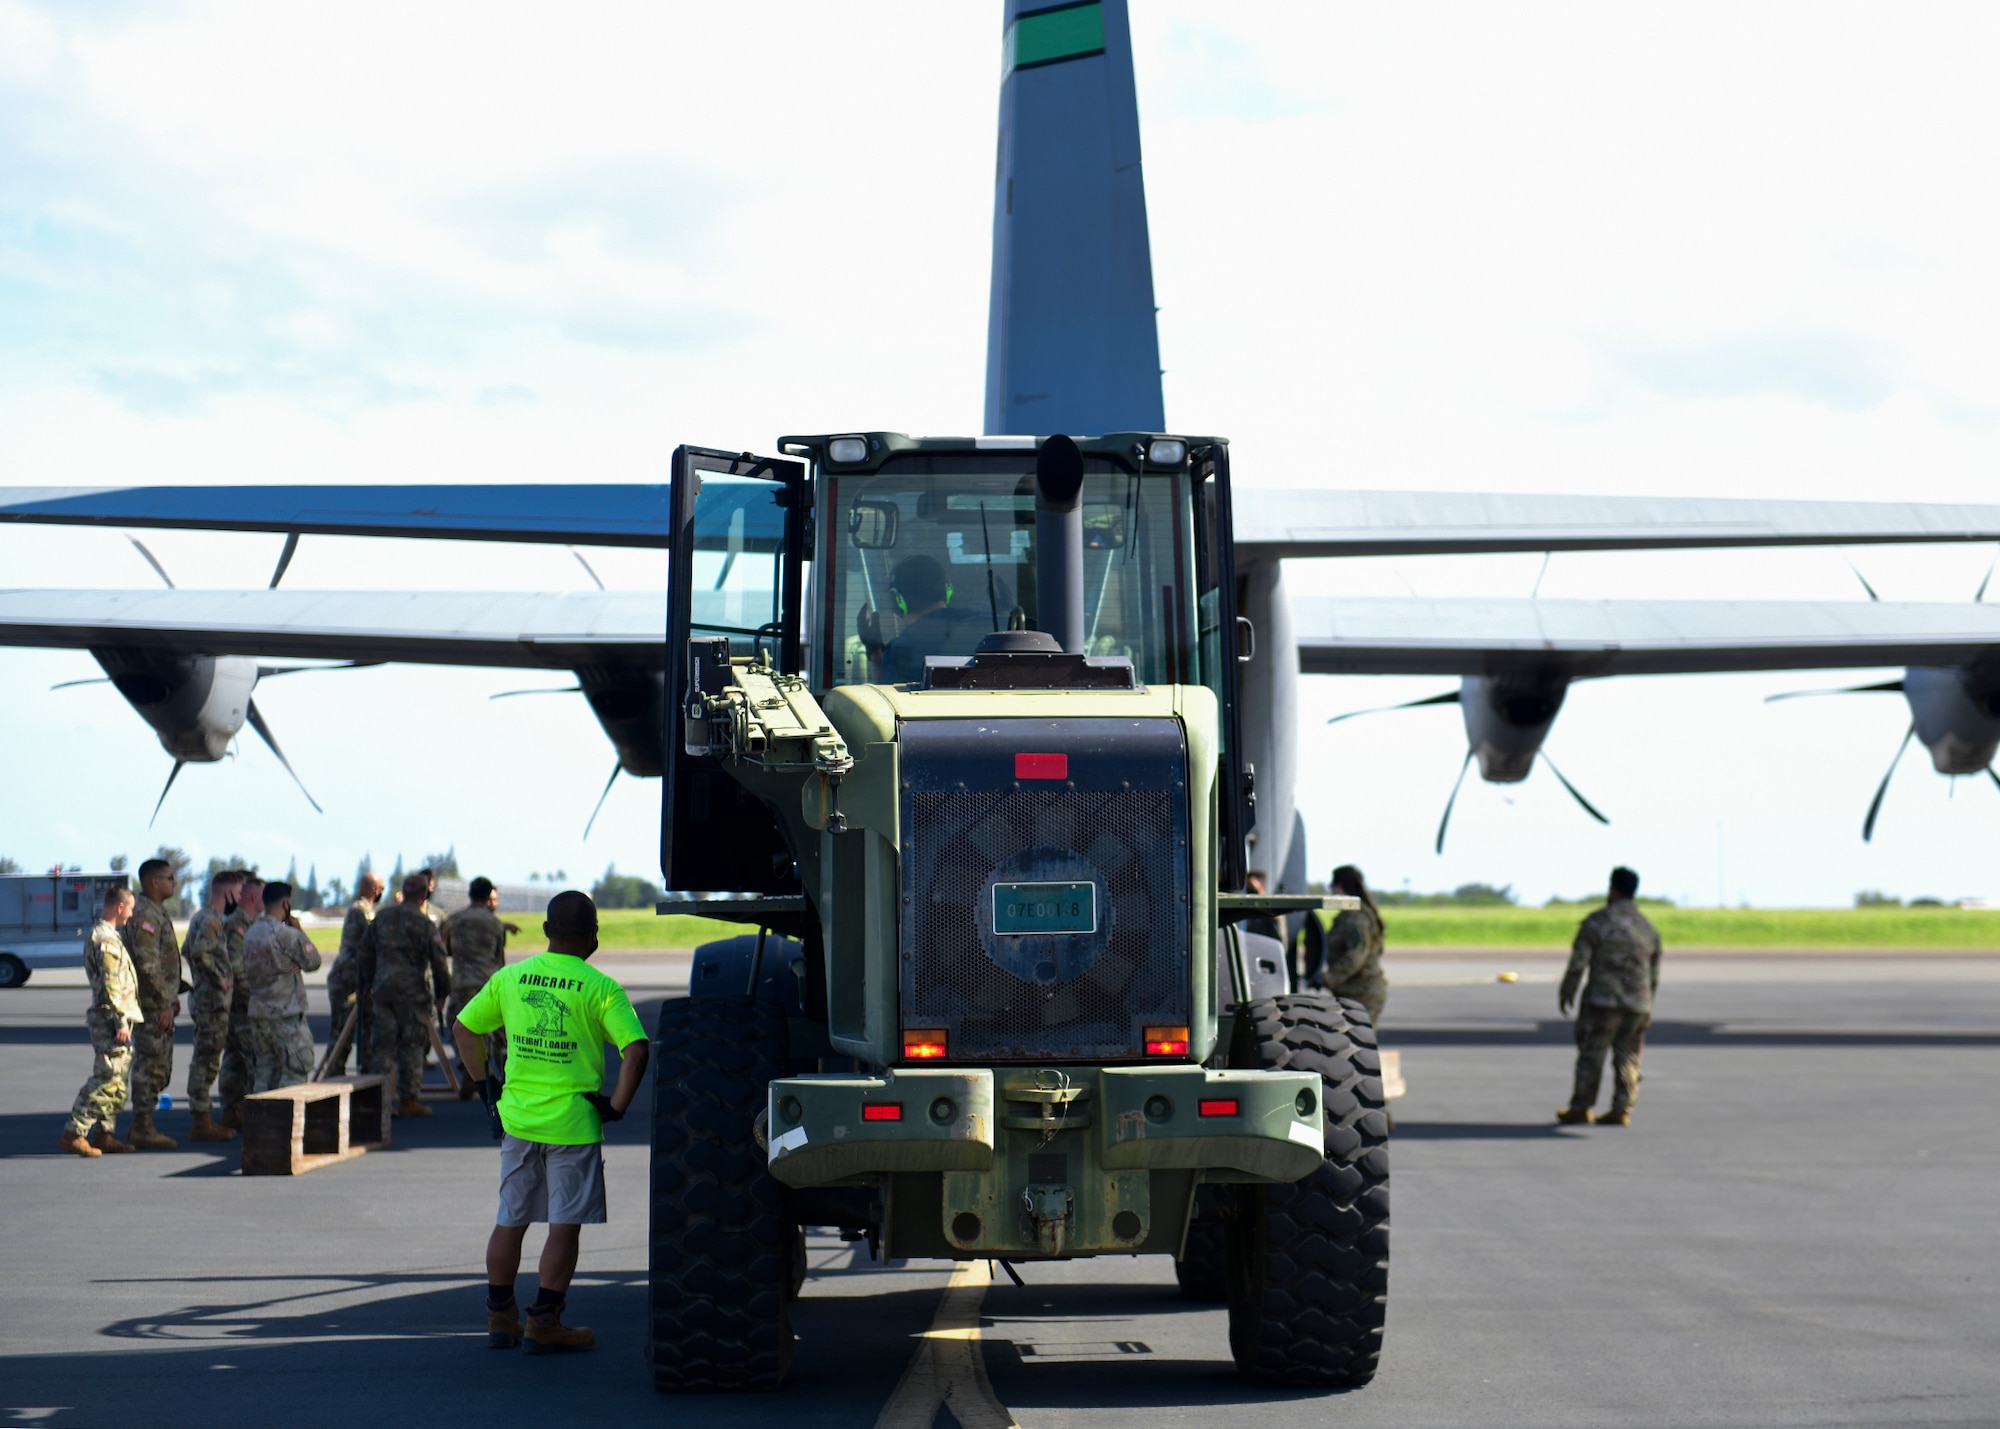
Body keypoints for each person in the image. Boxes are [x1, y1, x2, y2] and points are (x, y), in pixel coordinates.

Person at [454, 890, 648, 1355]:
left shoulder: (512, 977)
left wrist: (486, 1086)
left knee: (510, 1220)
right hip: (574, 1126)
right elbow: (636, 1050)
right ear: (593, 935)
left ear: (545, 931)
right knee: (564, 1226)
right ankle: (544, 1321)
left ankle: (499, 1316)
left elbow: (464, 1029)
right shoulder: (601, 989)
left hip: (519, 1122)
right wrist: (616, 1106)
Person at [1557, 865, 1663, 1127]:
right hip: (1638, 1003)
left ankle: (1581, 1107)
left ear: (1612, 889)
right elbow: (1653, 974)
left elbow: (1578, 963)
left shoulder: (1597, 922)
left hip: (1603, 1002)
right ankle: (1622, 1108)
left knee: (1592, 1054)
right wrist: (1647, 1003)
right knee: (1628, 1056)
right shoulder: (1647, 928)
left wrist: (1567, 990)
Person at [60, 886, 144, 1157]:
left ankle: (105, 1133)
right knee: (106, 1076)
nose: (131, 915)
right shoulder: (105, 939)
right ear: (120, 908)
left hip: (117, 1018)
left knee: (117, 1079)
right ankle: (75, 1131)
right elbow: (110, 985)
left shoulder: (109, 936)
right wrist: (120, 1021)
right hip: (111, 1020)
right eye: (130, 909)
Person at [360, 871, 450, 1118]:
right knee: (411, 1046)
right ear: (424, 895)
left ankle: (380, 1101)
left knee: (383, 1046)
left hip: (383, 991)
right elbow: (439, 960)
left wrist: (364, 983)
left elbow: (365, 952)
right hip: (412, 994)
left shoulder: (382, 918)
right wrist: (443, 992)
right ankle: (408, 1100)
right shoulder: (424, 924)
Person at [121, 857, 183, 1150]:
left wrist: (173, 996)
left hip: (159, 1002)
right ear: (154, 882)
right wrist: (163, 1003)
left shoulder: (156, 912)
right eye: (170, 878)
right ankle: (142, 1126)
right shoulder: (145, 915)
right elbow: (147, 965)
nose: (175, 882)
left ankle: (141, 1125)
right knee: (150, 1065)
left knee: (159, 1066)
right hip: (150, 1007)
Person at [241, 881, 324, 1092]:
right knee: (296, 1067)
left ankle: (261, 1119)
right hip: (285, 1013)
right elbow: (313, 961)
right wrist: (300, 931)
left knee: (265, 1070)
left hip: (259, 1012)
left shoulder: (251, 932)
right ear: (286, 904)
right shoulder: (285, 934)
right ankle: (286, 1119)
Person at [182, 869, 244, 1142]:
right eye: (239, 893)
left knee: (206, 1060)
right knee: (206, 1063)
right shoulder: (211, 921)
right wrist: (219, 978)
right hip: (212, 1003)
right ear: (228, 893)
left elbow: (186, 949)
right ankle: (201, 1120)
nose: (240, 900)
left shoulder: (201, 917)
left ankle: (202, 1117)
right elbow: (197, 952)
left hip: (206, 1001)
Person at [444, 876, 518, 1096]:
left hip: (462, 983)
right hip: (489, 983)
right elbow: (499, 957)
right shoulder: (495, 923)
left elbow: (446, 949)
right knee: (499, 1032)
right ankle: (505, 1076)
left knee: (458, 1026)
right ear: (488, 897)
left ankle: (469, 1069)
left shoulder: (453, 920)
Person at [881, 554, 980, 683]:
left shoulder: (899, 650)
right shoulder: (982, 623)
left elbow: (884, 696)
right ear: (948, 590)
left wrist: (875, 654)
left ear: (898, 600)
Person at [216, 873, 264, 1132]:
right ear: (256, 897)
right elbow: (237, 969)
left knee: (235, 1060)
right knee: (252, 1059)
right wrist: (254, 1000)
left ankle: (233, 1112)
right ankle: (254, 1114)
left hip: (238, 1004)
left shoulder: (248, 924)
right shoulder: (239, 926)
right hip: (242, 1006)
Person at [325, 870, 385, 1076]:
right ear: (376, 891)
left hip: (355, 979)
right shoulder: (362, 911)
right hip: (348, 980)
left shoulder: (358, 908)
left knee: (366, 1030)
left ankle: (365, 1079)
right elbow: (377, 937)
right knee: (342, 1035)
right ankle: (333, 1080)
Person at [1316, 865, 1388, 1028]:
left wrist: (1328, 978)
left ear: (1339, 886)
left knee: (1359, 1045)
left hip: (1362, 994)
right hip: (1352, 993)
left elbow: (1356, 956)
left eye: (1332, 887)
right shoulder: (1353, 914)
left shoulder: (1356, 917)